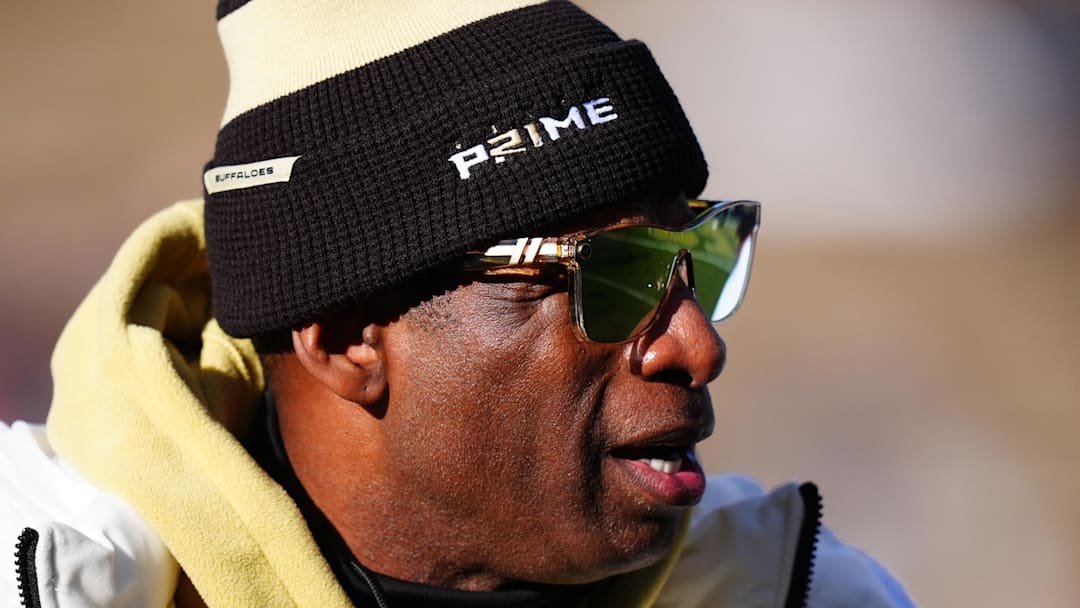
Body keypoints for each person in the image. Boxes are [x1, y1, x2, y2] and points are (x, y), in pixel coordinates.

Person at [0, 1, 913, 606]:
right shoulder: (51, 581)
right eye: (612, 275)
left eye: (700, 257)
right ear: (349, 338)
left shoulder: (796, 592)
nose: (697, 345)